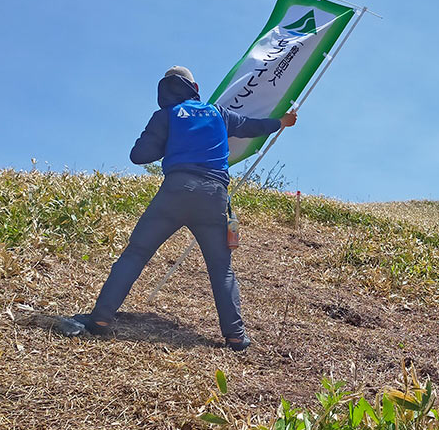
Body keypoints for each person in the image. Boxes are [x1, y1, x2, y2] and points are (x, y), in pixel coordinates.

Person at [66, 66, 296, 351]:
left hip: (175, 192)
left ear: (163, 91)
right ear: (195, 87)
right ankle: (236, 337)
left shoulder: (166, 116)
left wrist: (170, 140)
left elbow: (139, 156)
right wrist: (281, 122)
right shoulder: (218, 113)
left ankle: (100, 319)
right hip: (214, 197)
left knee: (135, 254)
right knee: (221, 269)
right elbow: (253, 126)